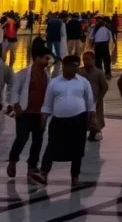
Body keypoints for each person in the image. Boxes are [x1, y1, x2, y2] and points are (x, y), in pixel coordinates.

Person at [34, 54, 95, 186]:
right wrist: (43, 119)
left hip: (78, 120)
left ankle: (75, 177)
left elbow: (90, 103)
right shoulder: (54, 82)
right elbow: (47, 104)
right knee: (51, 146)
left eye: (77, 66)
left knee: (77, 149)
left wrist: (90, 121)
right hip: (58, 120)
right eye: (73, 67)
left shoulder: (83, 82)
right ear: (64, 67)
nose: (76, 69)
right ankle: (44, 173)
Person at [7, 43, 51, 180]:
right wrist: (16, 105)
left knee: (38, 141)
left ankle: (32, 166)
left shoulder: (47, 75)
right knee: (22, 138)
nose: (48, 61)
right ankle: (13, 161)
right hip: (25, 113)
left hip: (40, 114)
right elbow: (14, 90)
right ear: (36, 58)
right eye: (45, 58)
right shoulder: (23, 74)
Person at [79, 50, 109, 141]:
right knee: (82, 120)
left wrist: (99, 99)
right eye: (84, 59)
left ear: (94, 60)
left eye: (88, 59)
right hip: (82, 100)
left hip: (96, 100)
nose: (85, 61)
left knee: (95, 120)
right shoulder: (80, 72)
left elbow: (104, 87)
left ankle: (94, 134)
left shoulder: (99, 73)